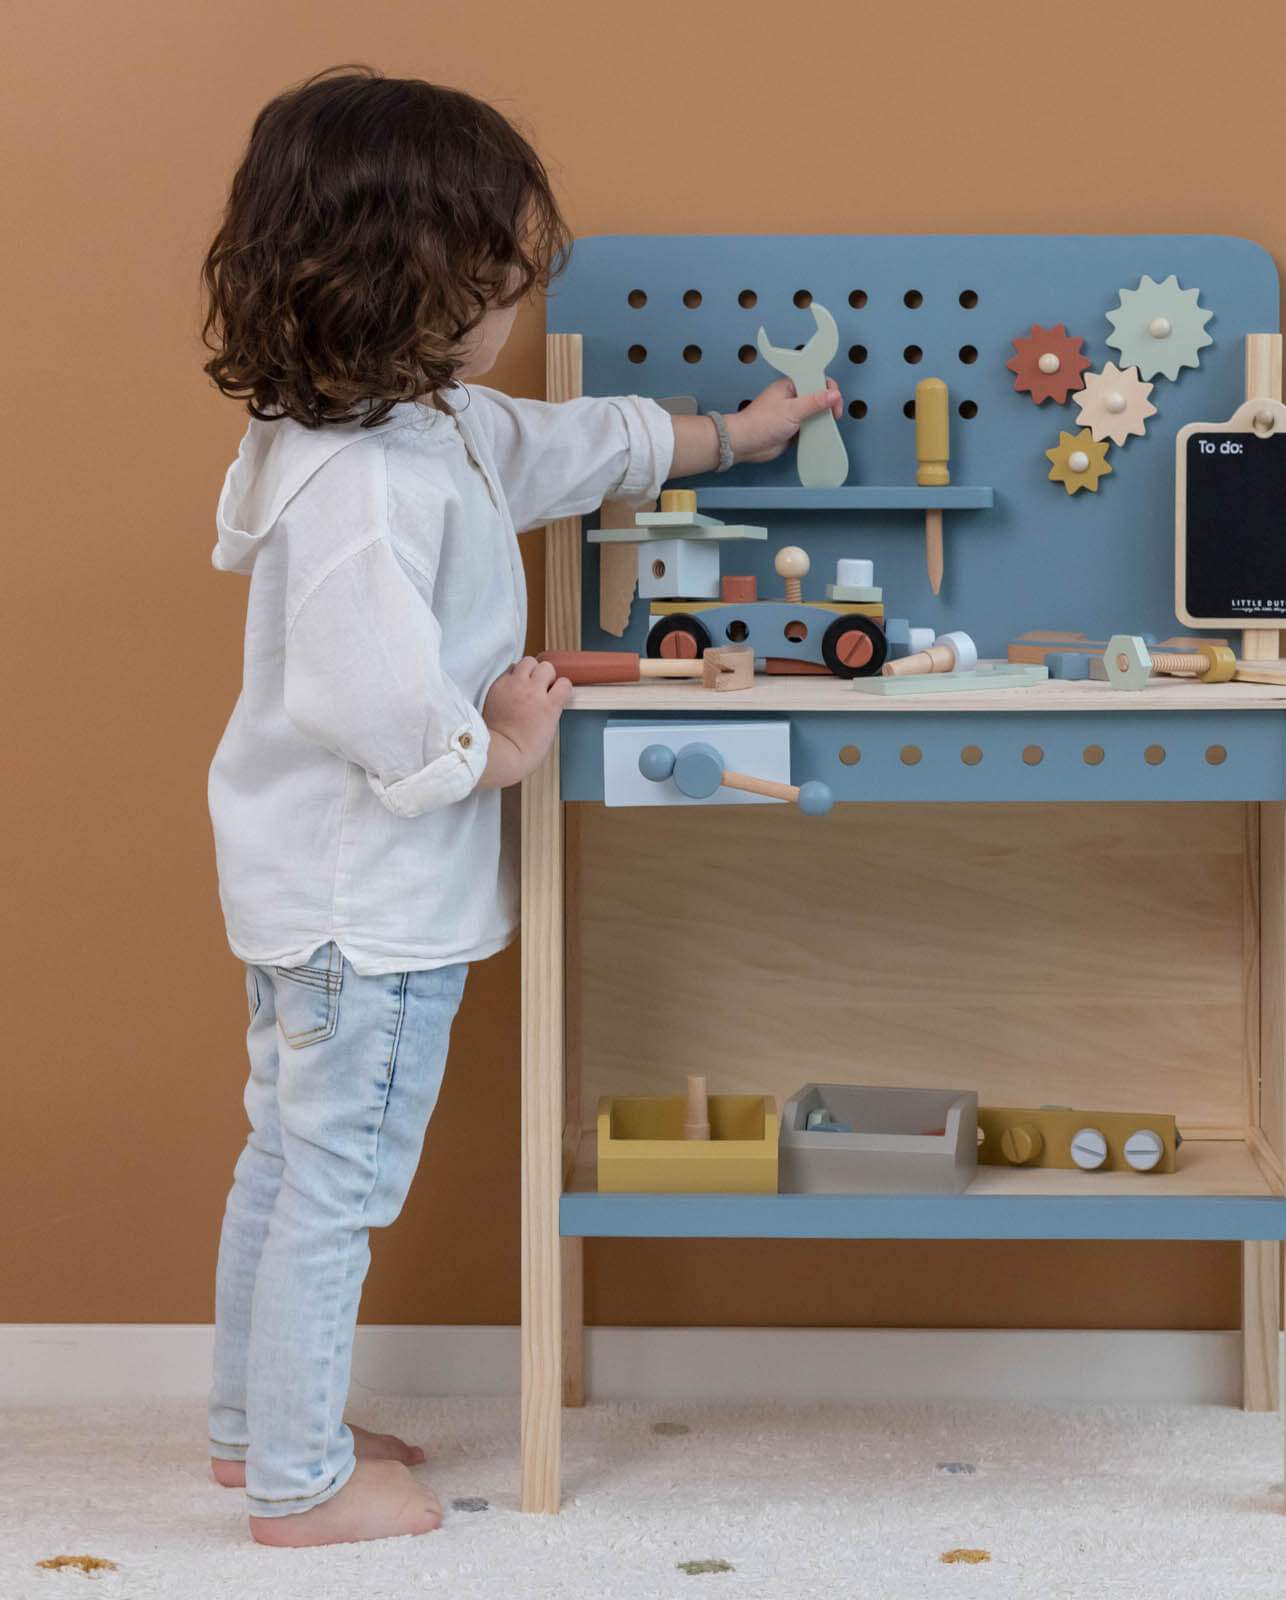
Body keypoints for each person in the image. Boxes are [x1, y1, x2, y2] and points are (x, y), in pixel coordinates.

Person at [200, 65, 838, 1547]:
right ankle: (298, 1489)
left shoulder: (428, 429)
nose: (516, 314)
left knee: (289, 1159)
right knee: (335, 1191)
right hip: (369, 910)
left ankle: (257, 1432)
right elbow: (371, 700)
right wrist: (492, 749)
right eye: (497, 286)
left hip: (318, 898)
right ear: (412, 290)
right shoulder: (363, 484)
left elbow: (572, 447)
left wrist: (731, 437)